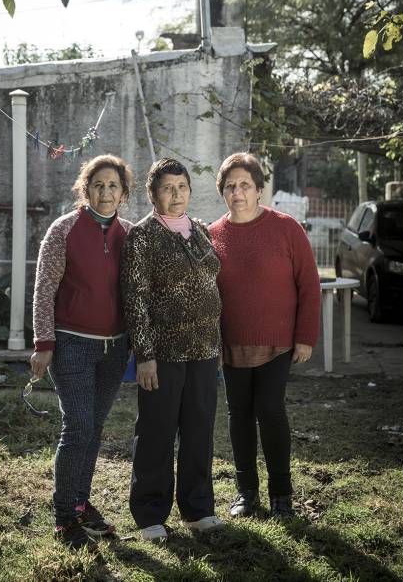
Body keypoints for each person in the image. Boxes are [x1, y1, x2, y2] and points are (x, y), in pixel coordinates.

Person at [30, 154, 134, 549]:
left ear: (123, 193)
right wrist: (44, 344)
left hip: (114, 348)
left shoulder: (128, 233)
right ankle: (63, 521)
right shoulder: (64, 229)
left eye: (113, 186)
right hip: (71, 345)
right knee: (77, 428)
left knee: (94, 429)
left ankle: (79, 503)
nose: (105, 193)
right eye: (98, 185)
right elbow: (44, 290)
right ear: (85, 188)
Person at [209, 152, 319, 519]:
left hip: (278, 342)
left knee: (270, 411)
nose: (237, 192)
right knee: (238, 414)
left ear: (259, 190)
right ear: (222, 192)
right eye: (230, 186)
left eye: (244, 185)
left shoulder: (286, 228)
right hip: (231, 343)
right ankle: (246, 493)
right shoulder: (212, 235)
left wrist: (305, 336)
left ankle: (281, 495)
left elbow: (309, 285)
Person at [120, 158, 223, 541]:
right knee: (157, 433)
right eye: (167, 188)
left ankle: (198, 510)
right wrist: (144, 355)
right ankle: (149, 515)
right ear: (152, 194)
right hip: (162, 354)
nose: (176, 195)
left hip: (204, 350)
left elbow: (213, 287)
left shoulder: (199, 230)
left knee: (200, 432)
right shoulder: (142, 237)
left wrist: (219, 344)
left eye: (182, 187)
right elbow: (136, 299)